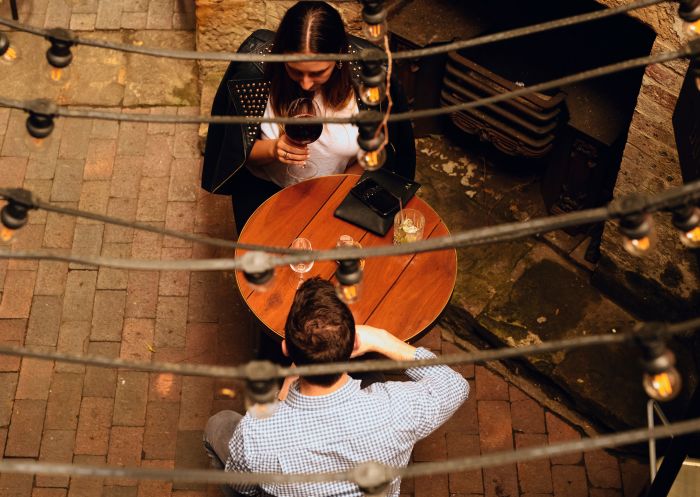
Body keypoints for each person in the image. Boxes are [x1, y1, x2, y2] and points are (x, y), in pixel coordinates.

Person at [204, 278, 469, 497]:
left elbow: (244, 486)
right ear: (353, 345)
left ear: (286, 348)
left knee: (218, 424)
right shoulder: (396, 410)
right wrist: (382, 339)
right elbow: (454, 385)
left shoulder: (256, 432)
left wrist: (281, 400)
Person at [201, 1, 416, 234]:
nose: (305, 83)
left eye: (317, 73)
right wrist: (274, 149)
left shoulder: (367, 81)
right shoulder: (255, 74)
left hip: (337, 195)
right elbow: (236, 152)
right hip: (265, 193)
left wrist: (333, 199)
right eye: (294, 70)